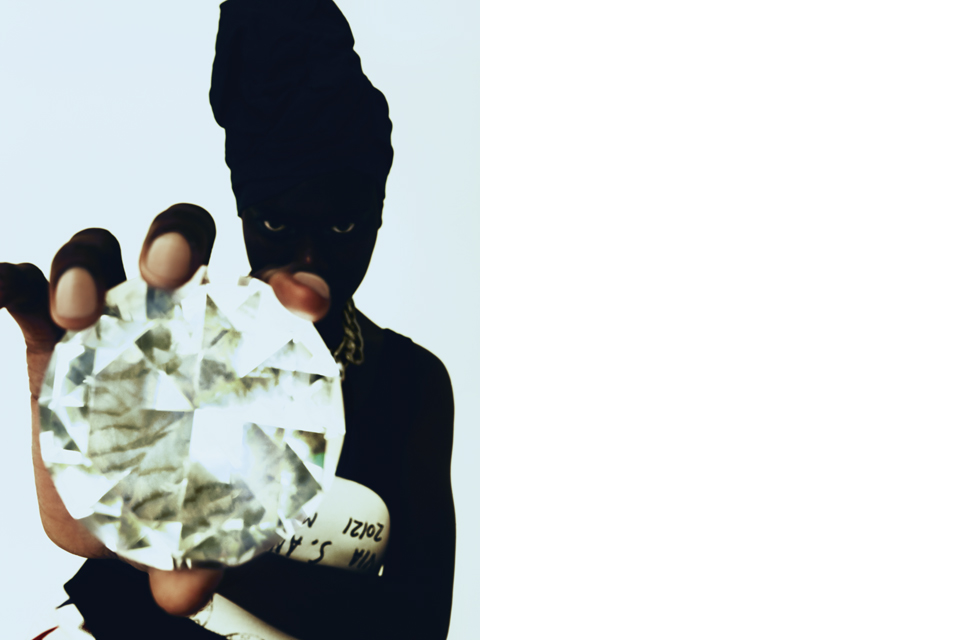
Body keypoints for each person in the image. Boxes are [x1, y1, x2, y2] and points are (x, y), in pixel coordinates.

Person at [4, 1, 456, 638]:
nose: (309, 261)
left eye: (342, 227)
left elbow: (419, 619)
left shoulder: (409, 384)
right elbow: (85, 529)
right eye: (276, 225)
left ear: (378, 217)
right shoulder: (177, 341)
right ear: (244, 214)